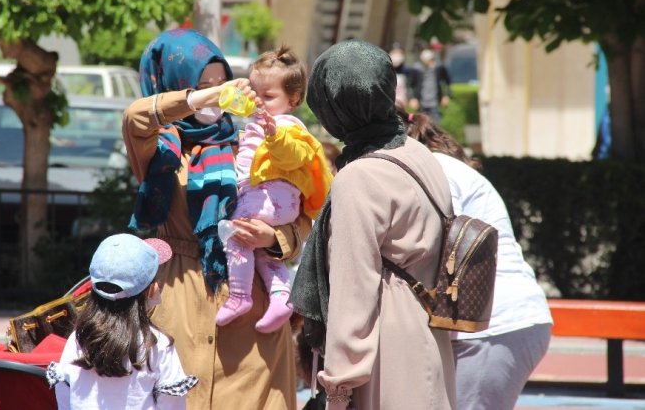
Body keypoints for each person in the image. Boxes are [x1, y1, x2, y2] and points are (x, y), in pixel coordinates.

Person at [122, 28, 310, 409]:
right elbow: (134, 118)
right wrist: (196, 100)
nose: (218, 93)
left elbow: (305, 215)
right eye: (203, 83)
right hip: (178, 304)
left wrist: (274, 239)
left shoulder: (252, 141)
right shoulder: (160, 148)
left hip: (251, 317)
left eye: (222, 82)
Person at [291, 38, 457, 409]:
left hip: (384, 349)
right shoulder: (418, 154)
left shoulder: (359, 177)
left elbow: (354, 287)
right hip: (429, 332)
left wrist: (338, 385)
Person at [398, 107, 553, 410]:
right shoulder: (444, 168)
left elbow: (435, 236)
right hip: (502, 320)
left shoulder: (434, 169)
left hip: (494, 325)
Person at [216, 46, 332, 333]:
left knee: (235, 235)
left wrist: (274, 135)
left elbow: (294, 155)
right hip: (273, 204)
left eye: (268, 96)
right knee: (265, 253)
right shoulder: (255, 124)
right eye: (255, 94)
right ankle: (281, 297)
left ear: (293, 99)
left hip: (269, 198)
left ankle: (240, 295)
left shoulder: (287, 126)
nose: (259, 102)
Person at [47, 234, 198, 410]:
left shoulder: (79, 339)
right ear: (150, 291)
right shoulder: (158, 345)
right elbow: (173, 406)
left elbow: (65, 399)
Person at [408, 48, 452, 123]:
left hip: (434, 103)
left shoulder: (439, 68)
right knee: (420, 125)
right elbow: (410, 85)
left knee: (435, 126)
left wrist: (446, 95)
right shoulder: (416, 69)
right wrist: (412, 98)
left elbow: (447, 81)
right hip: (421, 103)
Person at [388, 44, 417, 108]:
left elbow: (411, 86)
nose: (396, 56)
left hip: (401, 104)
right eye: (394, 53)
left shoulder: (407, 70)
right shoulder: (384, 69)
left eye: (399, 53)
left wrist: (412, 98)